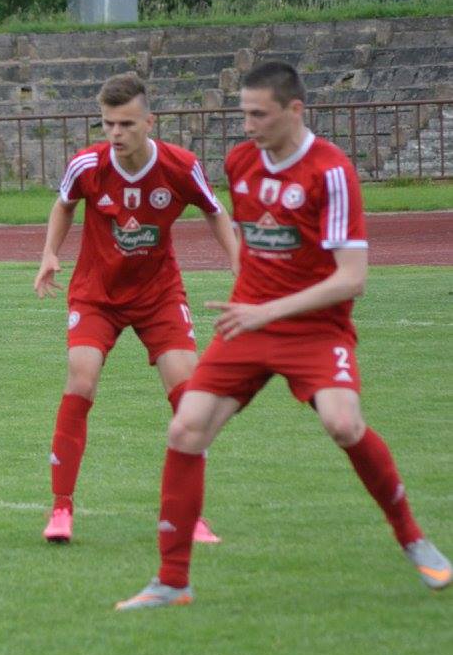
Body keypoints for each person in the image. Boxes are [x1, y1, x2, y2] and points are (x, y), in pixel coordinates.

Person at [116, 61, 451, 609]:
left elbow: (352, 279)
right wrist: (250, 295)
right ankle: (172, 581)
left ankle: (413, 538)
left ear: (295, 110)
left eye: (259, 115)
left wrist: (268, 310)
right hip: (249, 322)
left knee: (343, 423)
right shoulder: (241, 162)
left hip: (315, 327)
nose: (248, 126)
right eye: (244, 114)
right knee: (186, 428)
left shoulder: (331, 171)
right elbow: (254, 241)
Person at [35, 74, 239, 543]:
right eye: (108, 123)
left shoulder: (180, 166)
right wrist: (49, 252)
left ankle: (189, 516)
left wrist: (237, 261)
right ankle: (61, 509)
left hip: (158, 294)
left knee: (189, 397)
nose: (115, 133)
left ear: (150, 122)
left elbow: (214, 210)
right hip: (97, 293)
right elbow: (64, 205)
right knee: (81, 378)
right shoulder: (87, 165)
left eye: (126, 123)